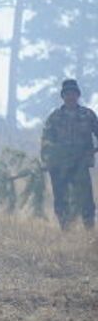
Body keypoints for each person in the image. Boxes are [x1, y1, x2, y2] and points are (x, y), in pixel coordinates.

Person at [40, 79, 98, 230]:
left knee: (86, 199)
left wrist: (92, 151)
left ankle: (89, 231)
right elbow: (46, 140)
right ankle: (66, 230)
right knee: (61, 199)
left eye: (73, 93)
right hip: (59, 166)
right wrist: (48, 161)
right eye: (67, 93)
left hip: (81, 165)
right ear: (63, 96)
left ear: (78, 95)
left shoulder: (88, 115)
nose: (70, 96)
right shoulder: (55, 117)